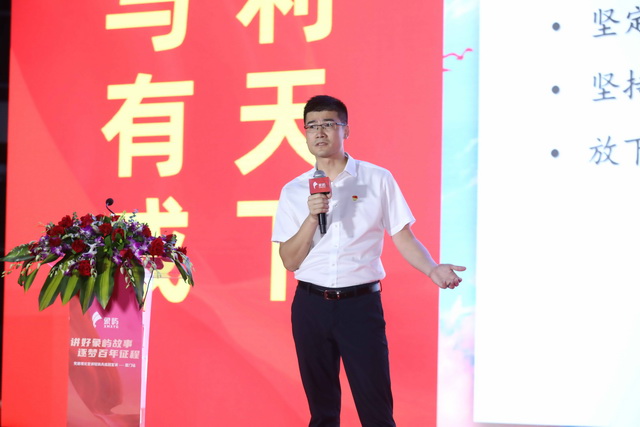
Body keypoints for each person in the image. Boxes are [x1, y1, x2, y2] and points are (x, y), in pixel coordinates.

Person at [271, 95, 465, 427]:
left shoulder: (377, 179)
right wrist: (311, 217)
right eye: (312, 126)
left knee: (376, 410)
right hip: (310, 305)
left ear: (345, 130)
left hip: (359, 306)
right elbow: (289, 260)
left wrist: (432, 268)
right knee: (322, 411)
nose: (319, 132)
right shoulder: (294, 190)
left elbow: (403, 236)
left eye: (328, 124)